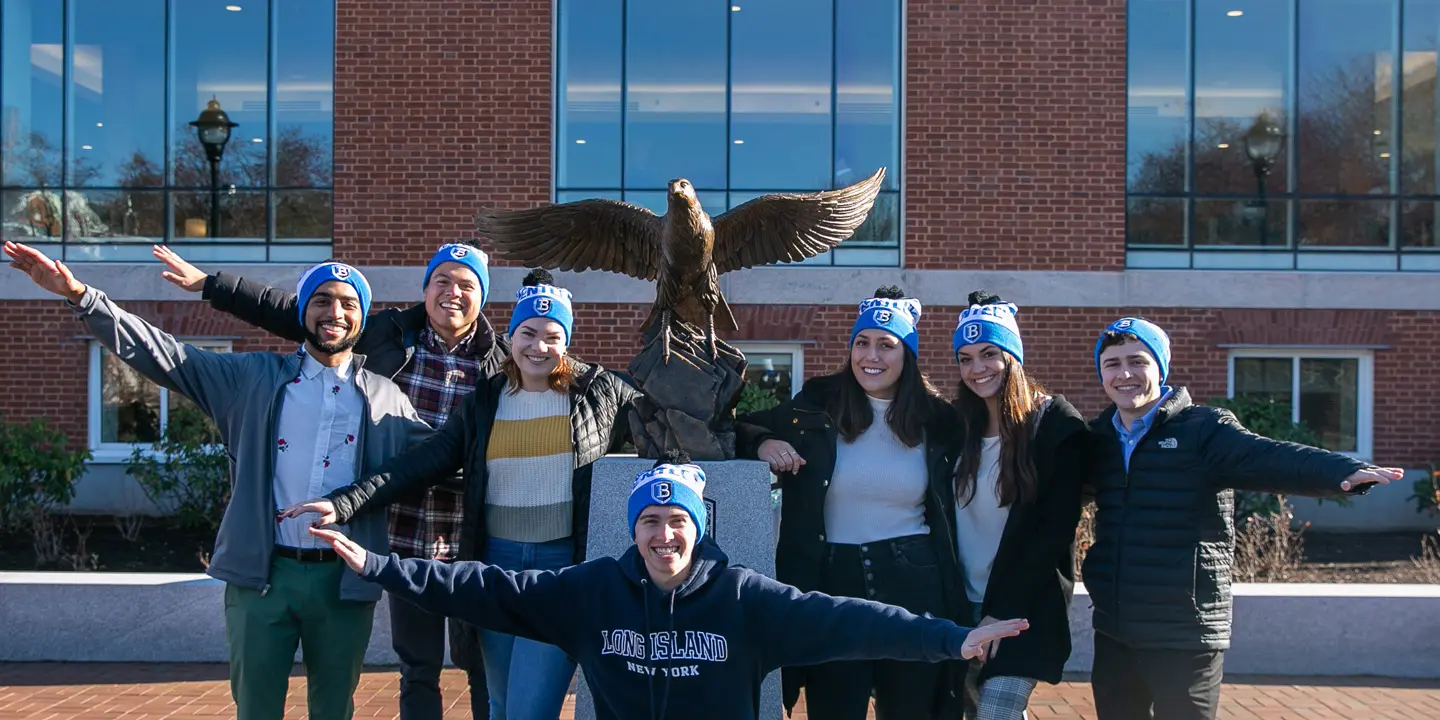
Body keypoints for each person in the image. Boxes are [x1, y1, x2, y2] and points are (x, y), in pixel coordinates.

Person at [3, 241, 430, 720]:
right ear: (305, 311)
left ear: (363, 317)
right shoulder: (251, 378)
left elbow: (437, 460)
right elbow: (161, 353)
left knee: (334, 709)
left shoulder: (387, 398)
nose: (335, 311)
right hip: (263, 579)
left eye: (349, 303)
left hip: (344, 583)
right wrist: (81, 295)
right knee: (255, 709)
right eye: (322, 300)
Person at [303, 454, 1032, 720]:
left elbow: (851, 620)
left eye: (675, 522)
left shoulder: (745, 599)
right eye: (649, 522)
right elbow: (483, 587)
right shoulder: (592, 591)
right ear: (633, 529)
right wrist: (379, 567)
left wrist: (952, 638)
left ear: (697, 527)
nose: (663, 536)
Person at [153, 242, 505, 718]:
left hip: (468, 537)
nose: (453, 293)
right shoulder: (387, 334)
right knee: (418, 666)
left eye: (467, 285)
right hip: (399, 531)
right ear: (425, 289)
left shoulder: (505, 361)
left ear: (482, 297)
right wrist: (213, 287)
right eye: (442, 280)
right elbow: (303, 313)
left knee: (480, 665)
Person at [279, 269, 639, 720]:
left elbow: (671, 420)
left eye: (552, 336)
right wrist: (344, 501)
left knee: (531, 710)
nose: (538, 347)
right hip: (494, 565)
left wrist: (756, 442)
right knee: (501, 704)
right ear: (511, 337)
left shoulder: (597, 392)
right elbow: (422, 462)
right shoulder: (486, 398)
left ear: (565, 341)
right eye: (527, 333)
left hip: (560, 570)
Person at [1084, 316, 1404, 720]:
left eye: (1138, 361)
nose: (1125, 373)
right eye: (1112, 363)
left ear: (1160, 368)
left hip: (1185, 629)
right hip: (1116, 629)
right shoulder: (1098, 439)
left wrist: (1340, 470)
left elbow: (1269, 456)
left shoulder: (1203, 430)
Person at [735, 286, 967, 719]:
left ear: (907, 355)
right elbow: (739, 427)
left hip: (913, 577)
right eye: (862, 342)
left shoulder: (939, 419)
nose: (870, 355)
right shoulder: (816, 404)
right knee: (833, 709)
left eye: (885, 344)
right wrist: (764, 441)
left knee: (912, 710)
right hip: (831, 579)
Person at [948, 291, 1092, 720]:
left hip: (1022, 609)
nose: (977, 368)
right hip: (959, 607)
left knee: (996, 712)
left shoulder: (1056, 427)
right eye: (965, 358)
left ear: (1012, 356)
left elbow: (1053, 532)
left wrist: (1001, 611)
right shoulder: (956, 427)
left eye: (989, 353)